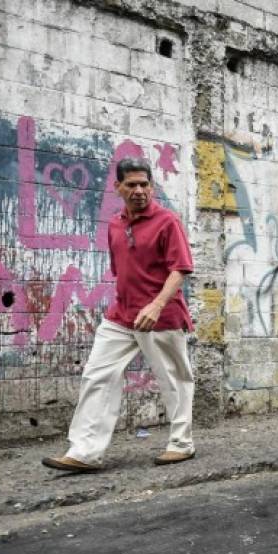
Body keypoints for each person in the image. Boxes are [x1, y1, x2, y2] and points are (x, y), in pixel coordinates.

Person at [42, 157, 196, 472]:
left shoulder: (167, 221)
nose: (139, 190)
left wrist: (156, 305)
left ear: (152, 187)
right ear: (118, 187)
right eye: (132, 185)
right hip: (121, 316)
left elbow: (180, 268)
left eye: (144, 184)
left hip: (161, 317)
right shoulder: (114, 224)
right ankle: (84, 452)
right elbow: (121, 271)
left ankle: (182, 445)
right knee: (97, 375)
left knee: (174, 381)